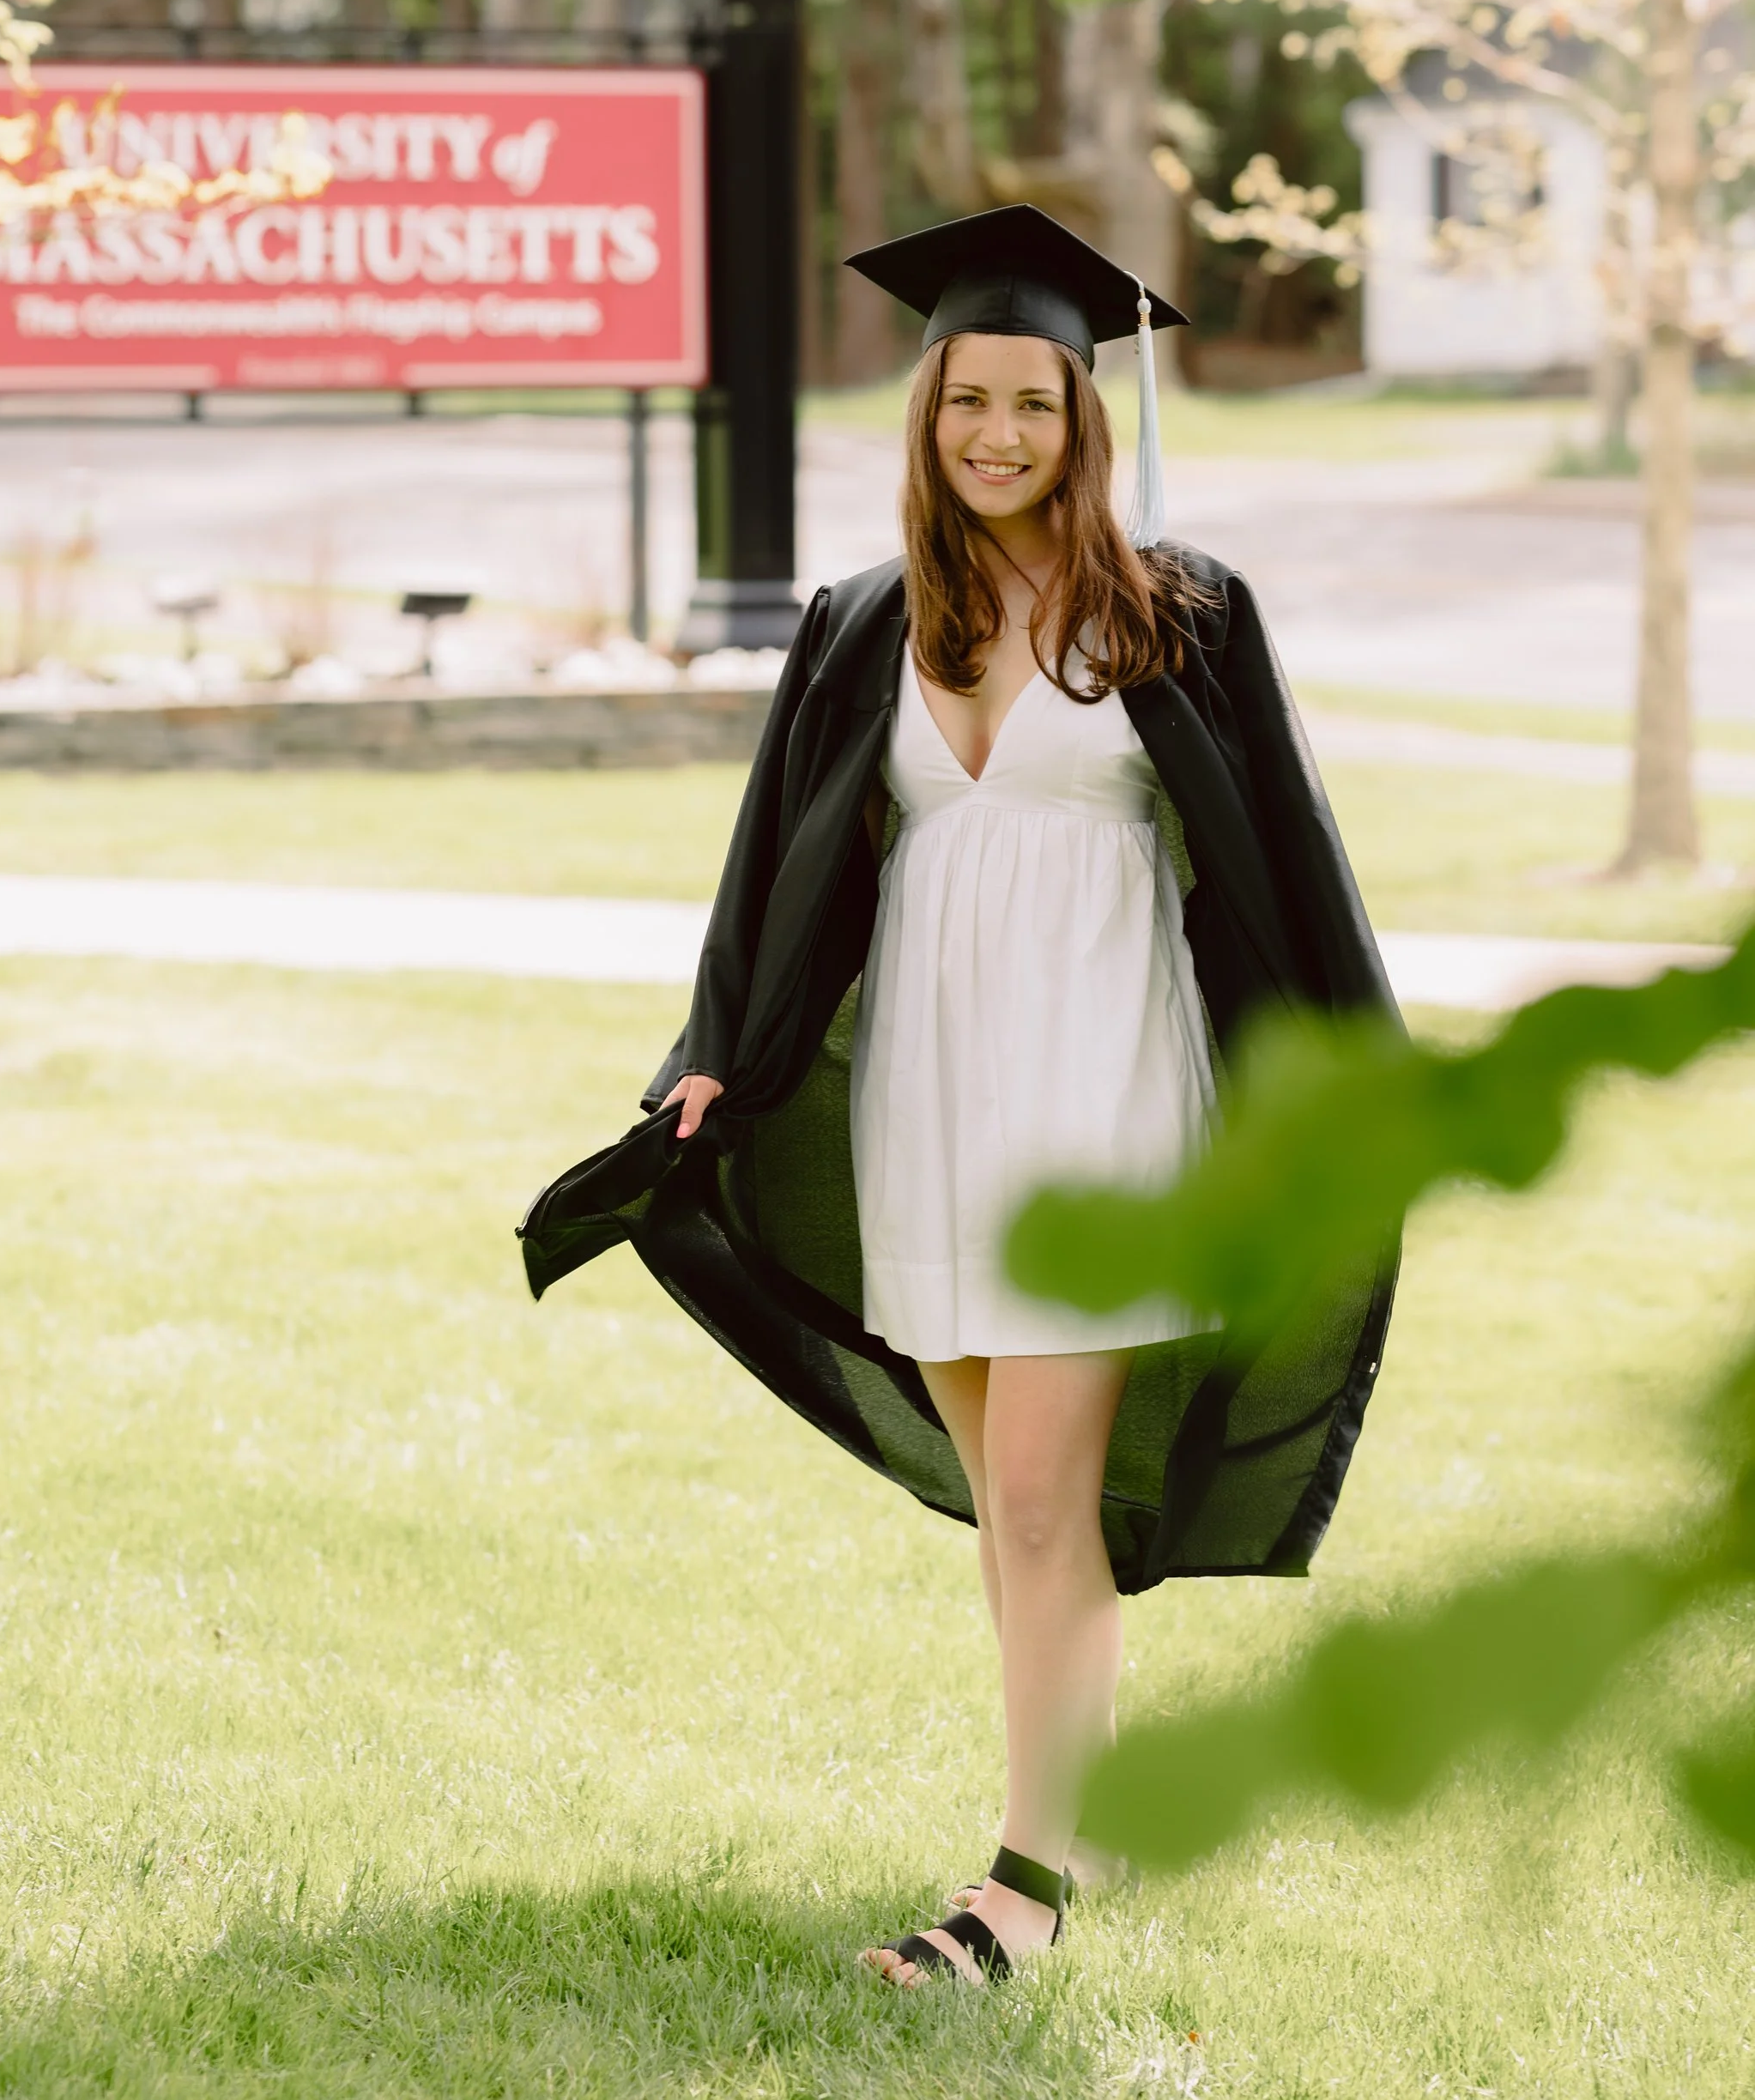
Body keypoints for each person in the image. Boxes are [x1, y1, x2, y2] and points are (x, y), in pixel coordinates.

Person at [519, 205, 1400, 1988]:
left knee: (1033, 1504)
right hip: (923, 1099)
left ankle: (1012, 1898)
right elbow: (778, 870)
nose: (996, 436)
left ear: (1083, 417)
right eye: (963, 402)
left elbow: (1285, 865)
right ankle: (1067, 1817)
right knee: (1009, 1511)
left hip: (1098, 1106)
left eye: (1033, 404)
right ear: (922, 414)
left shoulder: (1178, 614)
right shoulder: (863, 628)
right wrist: (710, 1052)